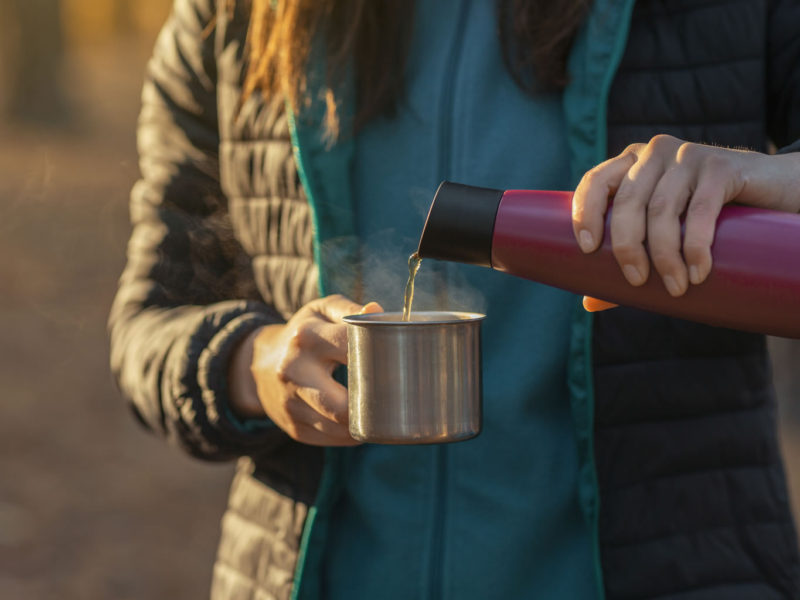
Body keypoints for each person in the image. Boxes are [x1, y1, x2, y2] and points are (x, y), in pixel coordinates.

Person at [108, 0, 800, 598]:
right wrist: (255, 363)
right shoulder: (235, 15)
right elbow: (151, 320)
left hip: (665, 571)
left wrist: (762, 177)